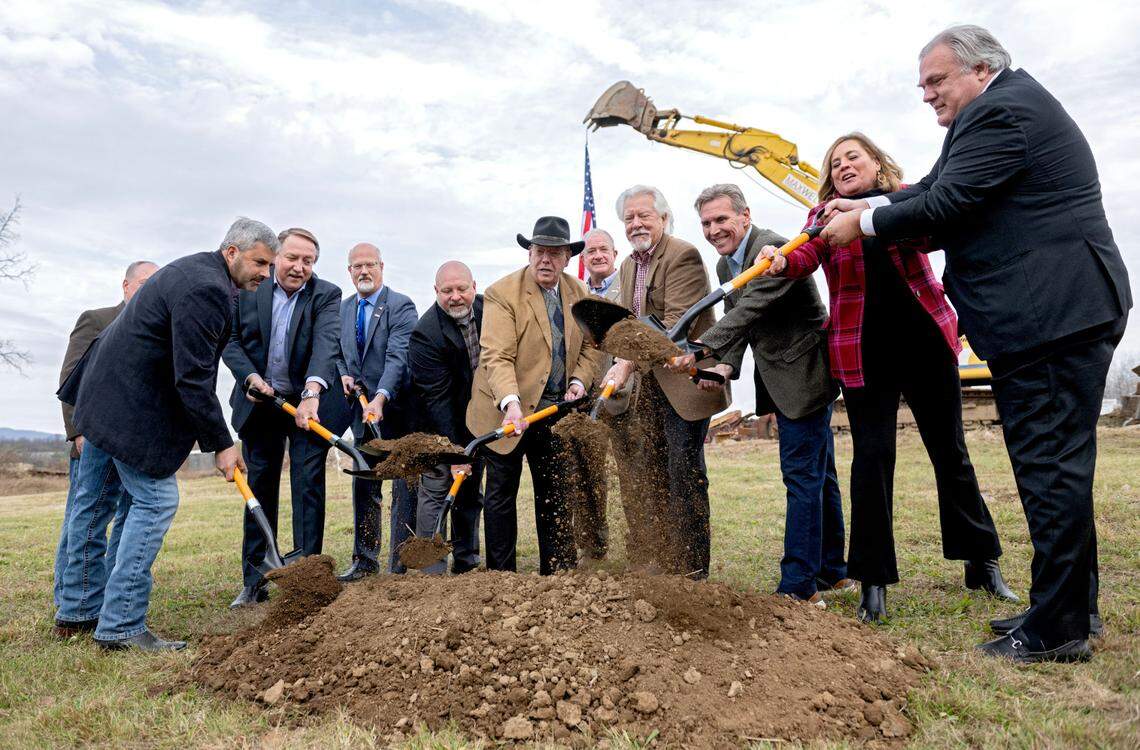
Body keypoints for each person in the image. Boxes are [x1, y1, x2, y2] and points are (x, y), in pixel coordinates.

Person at [820, 26, 1130, 662]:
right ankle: (1071, 605)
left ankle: (1058, 629)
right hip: (1054, 314)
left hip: (1050, 315)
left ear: (981, 68)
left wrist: (865, 221)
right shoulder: (988, 117)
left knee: (1048, 467)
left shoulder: (1001, 112)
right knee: (1059, 467)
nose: (927, 94)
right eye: (922, 84)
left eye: (937, 80)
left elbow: (948, 203)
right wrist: (859, 210)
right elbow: (933, 188)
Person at [764, 134, 1016, 622]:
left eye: (852, 157)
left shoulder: (908, 197)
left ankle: (981, 562)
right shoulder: (822, 216)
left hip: (925, 339)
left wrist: (869, 214)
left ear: (877, 164)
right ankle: (873, 580)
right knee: (872, 460)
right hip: (863, 350)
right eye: (834, 163)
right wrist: (779, 258)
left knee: (951, 453)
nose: (842, 166)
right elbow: (803, 255)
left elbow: (927, 225)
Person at [56, 217, 276, 650]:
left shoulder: (194, 269)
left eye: (269, 265)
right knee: (155, 501)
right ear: (232, 252)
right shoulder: (207, 288)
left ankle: (79, 611)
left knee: (94, 504)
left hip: (102, 400)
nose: (265, 274)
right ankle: (120, 625)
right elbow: (191, 377)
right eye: (260, 262)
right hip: (130, 408)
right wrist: (222, 443)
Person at [669, 183, 849, 606]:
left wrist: (702, 347)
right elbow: (739, 318)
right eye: (707, 223)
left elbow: (751, 310)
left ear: (745, 216)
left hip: (803, 370)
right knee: (819, 473)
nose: (714, 230)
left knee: (802, 475)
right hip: (777, 371)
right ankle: (832, 572)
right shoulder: (725, 264)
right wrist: (724, 364)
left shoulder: (771, 248)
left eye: (722, 220)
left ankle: (799, 587)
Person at [465, 216, 602, 575]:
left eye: (555, 254)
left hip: (554, 410)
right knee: (500, 495)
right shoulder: (501, 293)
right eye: (540, 251)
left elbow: (592, 349)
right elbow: (497, 356)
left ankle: (557, 574)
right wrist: (510, 403)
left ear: (567, 259)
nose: (546, 260)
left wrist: (578, 382)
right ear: (530, 253)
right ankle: (502, 577)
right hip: (504, 409)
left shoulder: (580, 295)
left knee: (555, 493)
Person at [604, 186, 728, 578]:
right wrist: (620, 359)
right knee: (654, 472)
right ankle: (665, 557)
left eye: (644, 216)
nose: (636, 224)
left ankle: (693, 571)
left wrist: (624, 363)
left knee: (684, 473)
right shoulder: (627, 265)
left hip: (685, 384)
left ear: (663, 218)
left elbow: (674, 327)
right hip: (650, 386)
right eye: (629, 218)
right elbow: (626, 323)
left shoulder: (682, 255)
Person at [222, 227, 350, 607]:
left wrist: (312, 394)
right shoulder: (248, 289)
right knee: (260, 487)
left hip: (304, 405)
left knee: (308, 484)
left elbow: (327, 344)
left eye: (308, 261)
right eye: (292, 258)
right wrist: (250, 376)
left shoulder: (326, 295)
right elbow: (229, 341)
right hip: (260, 400)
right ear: (277, 256)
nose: (299, 267)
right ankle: (255, 580)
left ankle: (308, 577)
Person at [52, 260, 157, 632]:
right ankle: (71, 602)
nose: (148, 290)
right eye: (143, 282)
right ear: (126, 285)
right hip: (92, 437)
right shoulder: (96, 319)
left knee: (126, 515)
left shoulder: (156, 327)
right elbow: (72, 378)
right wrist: (77, 431)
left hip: (131, 444)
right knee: (85, 518)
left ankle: (104, 598)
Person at [333, 242, 418, 580]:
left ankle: (401, 564)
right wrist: (343, 374)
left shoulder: (400, 306)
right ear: (349, 271)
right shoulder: (342, 309)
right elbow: (337, 351)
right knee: (365, 484)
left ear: (382, 267)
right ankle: (365, 561)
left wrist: (381, 397)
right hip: (361, 412)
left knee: (402, 486)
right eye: (357, 266)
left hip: (396, 409)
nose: (364, 271)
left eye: (370, 265)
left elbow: (399, 357)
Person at [408, 261, 484, 575]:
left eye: (461, 289)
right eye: (447, 290)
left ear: (474, 287)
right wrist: (454, 453)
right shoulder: (425, 333)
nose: (455, 296)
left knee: (469, 490)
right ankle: (431, 568)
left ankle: (467, 562)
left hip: (477, 418)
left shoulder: (489, 310)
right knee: (438, 489)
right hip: (436, 422)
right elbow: (436, 401)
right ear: (436, 291)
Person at [582, 228, 621, 300]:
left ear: (614, 255)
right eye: (591, 251)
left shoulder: (631, 285)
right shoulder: (576, 292)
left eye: (604, 250)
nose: (598, 256)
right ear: (583, 259)